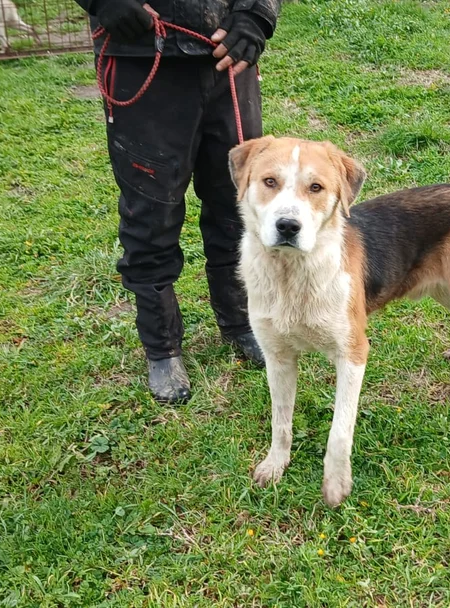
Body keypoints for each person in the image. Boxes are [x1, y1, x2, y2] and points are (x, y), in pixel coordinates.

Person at [72, 0, 279, 403]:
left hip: (227, 57)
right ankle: (162, 347)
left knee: (237, 204)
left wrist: (256, 15)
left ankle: (239, 321)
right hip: (139, 54)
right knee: (150, 211)